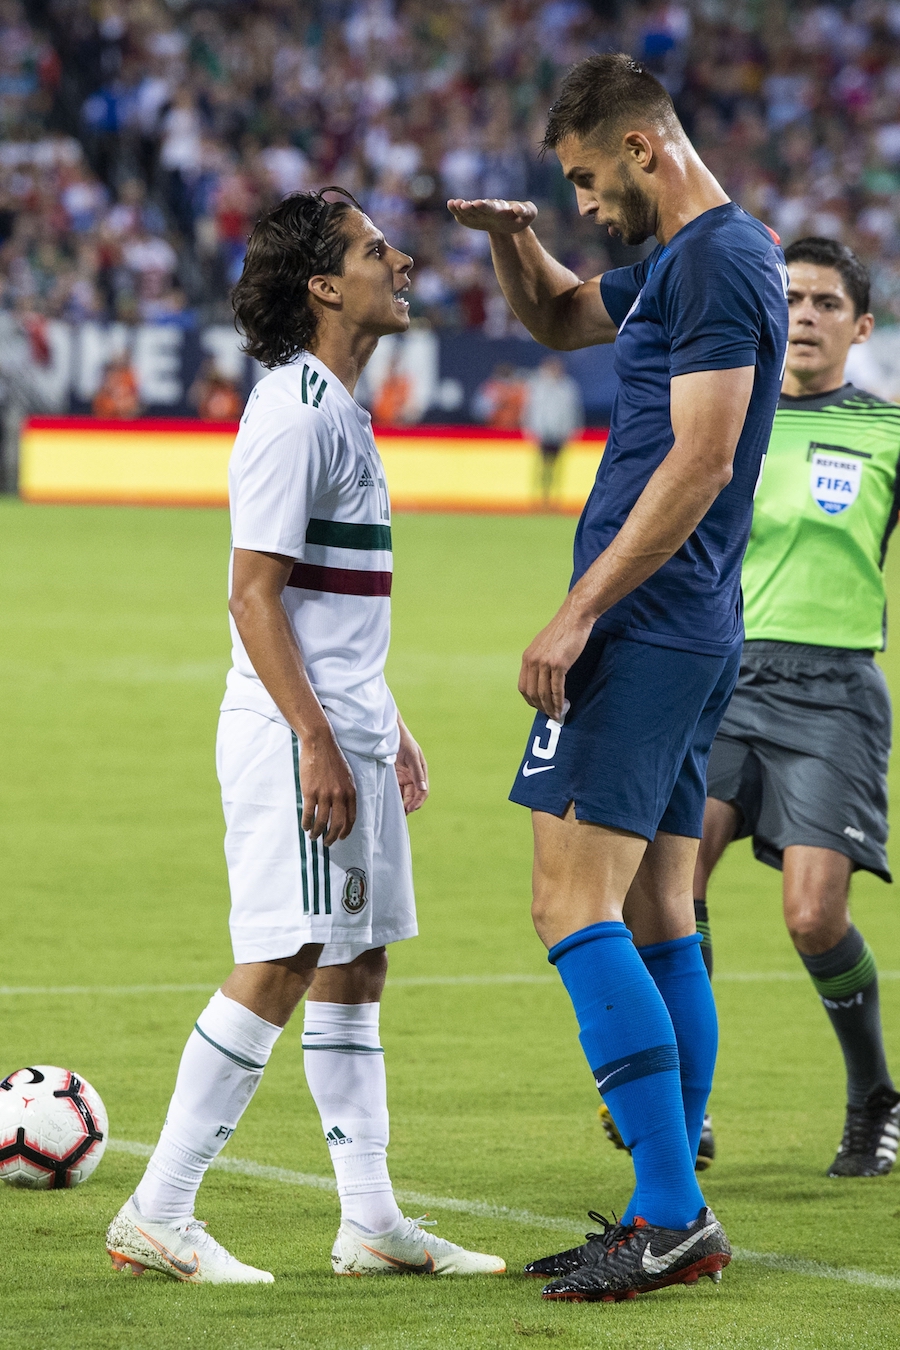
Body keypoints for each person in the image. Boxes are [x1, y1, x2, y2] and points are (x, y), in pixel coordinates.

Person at [105, 189, 505, 1284]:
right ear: (325, 285)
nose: (405, 260)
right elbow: (252, 598)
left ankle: (370, 1223)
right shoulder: (292, 409)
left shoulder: (340, 406)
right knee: (283, 955)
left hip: (347, 726)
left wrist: (387, 723)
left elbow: (331, 605)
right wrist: (321, 744)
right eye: (379, 250)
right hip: (297, 736)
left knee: (355, 963)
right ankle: (160, 1206)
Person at [449, 52, 788, 1302]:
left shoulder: (718, 260)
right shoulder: (680, 263)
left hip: (644, 624)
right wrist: (511, 243)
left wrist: (577, 613)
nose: (586, 206)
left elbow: (698, 460)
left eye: (589, 181)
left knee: (566, 904)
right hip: (687, 624)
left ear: (644, 149)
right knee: (657, 914)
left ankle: (669, 1211)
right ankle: (675, 1188)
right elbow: (560, 316)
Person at [693, 237, 900, 1177]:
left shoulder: (889, 433)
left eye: (826, 302)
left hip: (834, 695)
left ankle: (874, 1097)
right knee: (666, 883)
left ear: (861, 326)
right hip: (725, 683)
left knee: (813, 918)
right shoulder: (728, 418)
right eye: (793, 300)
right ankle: (682, 1104)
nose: (807, 314)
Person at [523, 356, 584, 509]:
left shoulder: (568, 386)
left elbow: (574, 411)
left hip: (560, 433)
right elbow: (531, 410)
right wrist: (531, 430)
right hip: (543, 433)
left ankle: (554, 500)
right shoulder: (538, 385)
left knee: (557, 469)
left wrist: (573, 430)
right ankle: (538, 499)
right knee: (541, 467)